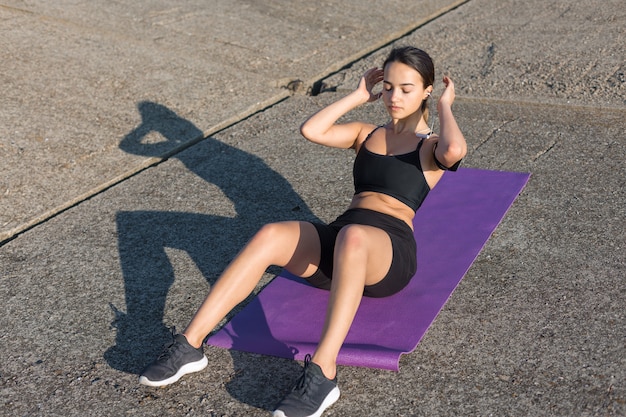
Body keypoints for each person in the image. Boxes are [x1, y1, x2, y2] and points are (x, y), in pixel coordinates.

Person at [138, 45, 467, 417]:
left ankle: (324, 373)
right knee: (270, 235)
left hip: (388, 254)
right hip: (342, 238)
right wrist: (358, 95)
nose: (393, 97)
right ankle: (189, 344)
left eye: (406, 88)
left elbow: (455, 149)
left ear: (425, 90)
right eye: (388, 86)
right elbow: (312, 129)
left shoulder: (431, 147)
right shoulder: (365, 133)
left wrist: (444, 105)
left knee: (354, 237)